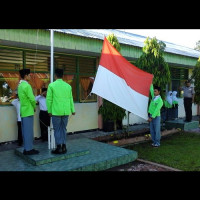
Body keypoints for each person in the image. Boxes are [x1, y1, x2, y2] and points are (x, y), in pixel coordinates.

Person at [46, 69, 75, 154]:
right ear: (63, 76)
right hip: (66, 111)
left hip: (56, 111)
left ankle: (59, 147)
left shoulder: (51, 85)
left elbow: (49, 100)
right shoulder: (68, 86)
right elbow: (71, 99)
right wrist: (73, 110)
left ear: (55, 76)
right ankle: (64, 146)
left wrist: (49, 110)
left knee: (57, 129)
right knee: (63, 129)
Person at [18, 69, 39, 155]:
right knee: (29, 132)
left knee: (25, 131)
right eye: (29, 75)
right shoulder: (27, 86)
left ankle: (27, 148)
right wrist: (34, 107)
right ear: (26, 76)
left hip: (23, 111)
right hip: (28, 111)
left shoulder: (20, 85)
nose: (30, 76)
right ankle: (28, 149)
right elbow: (32, 99)